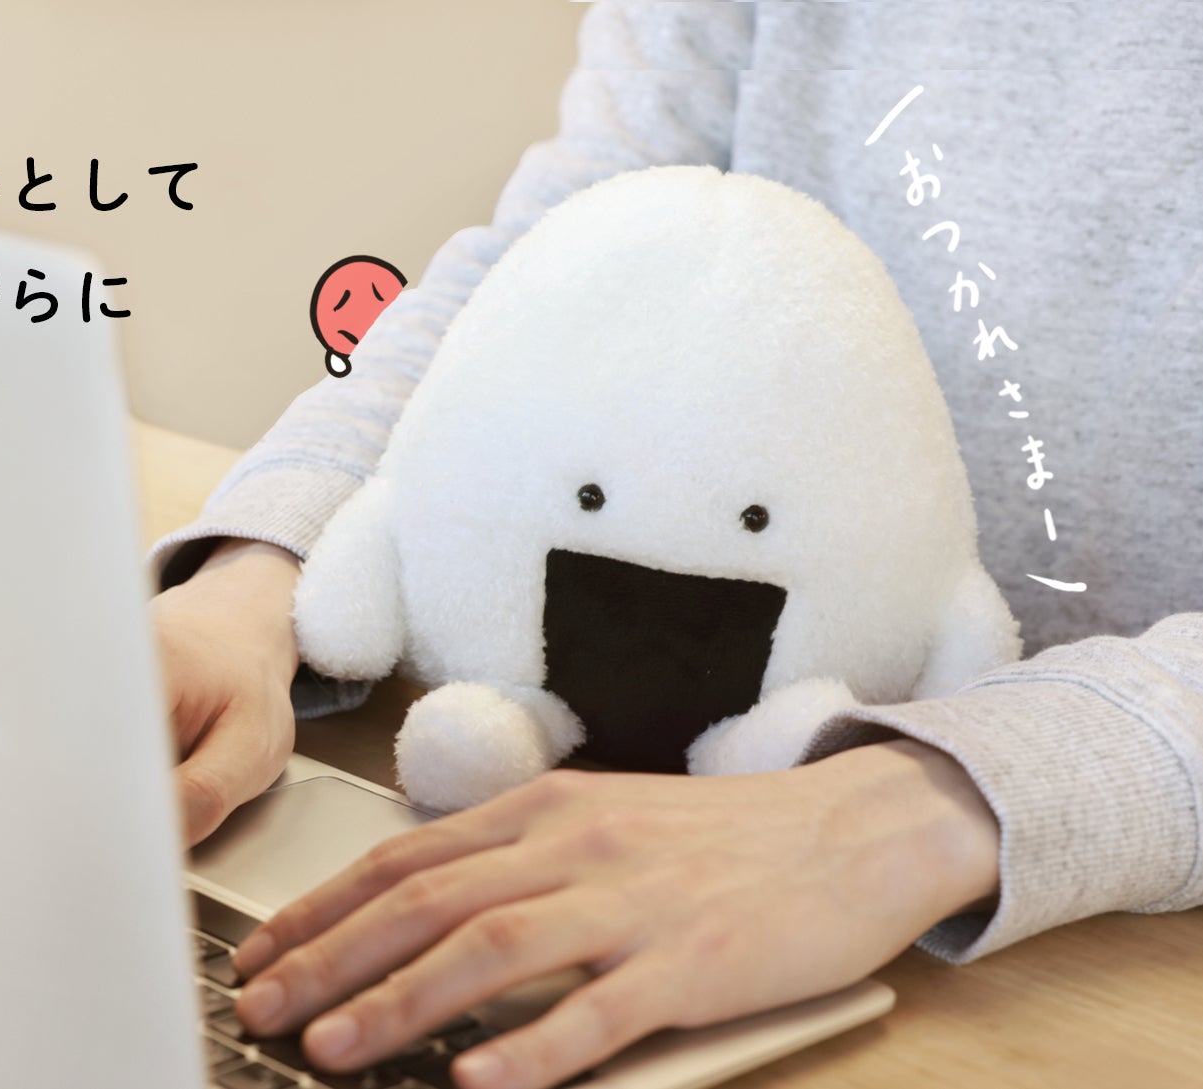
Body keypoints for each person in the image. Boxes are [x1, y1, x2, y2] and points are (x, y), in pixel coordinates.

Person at [148, 4, 1203, 1088]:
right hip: (633, 802)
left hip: (1091, 943)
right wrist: (254, 583)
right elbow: (539, 278)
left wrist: (912, 808)